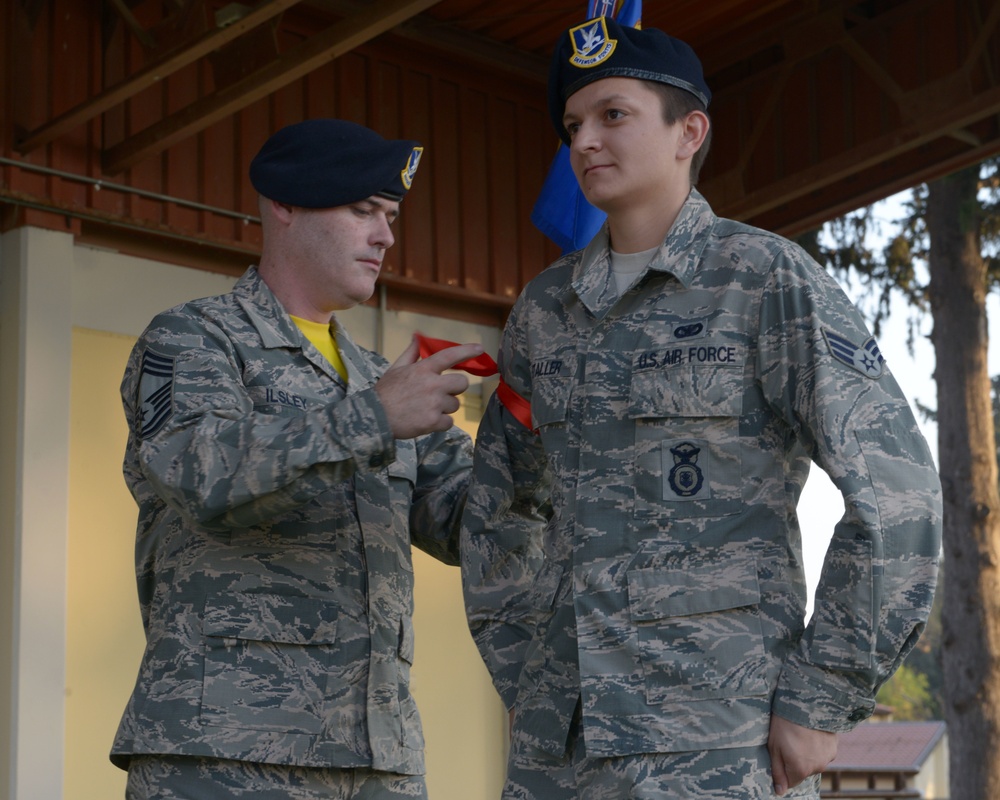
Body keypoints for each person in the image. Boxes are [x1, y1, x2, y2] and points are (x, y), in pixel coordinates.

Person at [461, 16, 942, 800]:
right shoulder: (545, 311)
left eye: (613, 115)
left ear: (690, 131)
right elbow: (501, 507)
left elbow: (899, 497)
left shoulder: (765, 281)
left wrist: (820, 698)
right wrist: (527, 671)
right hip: (559, 750)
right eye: (573, 124)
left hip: (716, 738)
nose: (585, 140)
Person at [110, 118, 484, 800]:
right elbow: (199, 471)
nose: (385, 237)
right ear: (284, 205)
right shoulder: (194, 338)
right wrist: (372, 417)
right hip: (225, 752)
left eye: (391, 216)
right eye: (363, 211)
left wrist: (540, 439)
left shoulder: (382, 376)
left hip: (380, 756)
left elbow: (470, 526)